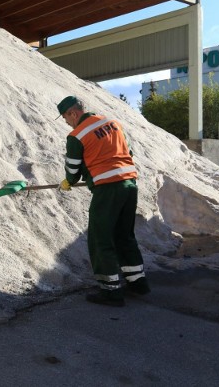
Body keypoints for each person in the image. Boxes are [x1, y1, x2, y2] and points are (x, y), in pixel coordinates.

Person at [56, 95, 150, 307]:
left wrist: (68, 182)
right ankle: (138, 283)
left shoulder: (77, 135)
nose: (66, 122)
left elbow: (73, 167)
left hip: (108, 189)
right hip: (129, 184)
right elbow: (129, 151)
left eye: (65, 117)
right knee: (124, 235)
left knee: (100, 238)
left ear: (73, 113)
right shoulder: (112, 123)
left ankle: (110, 292)